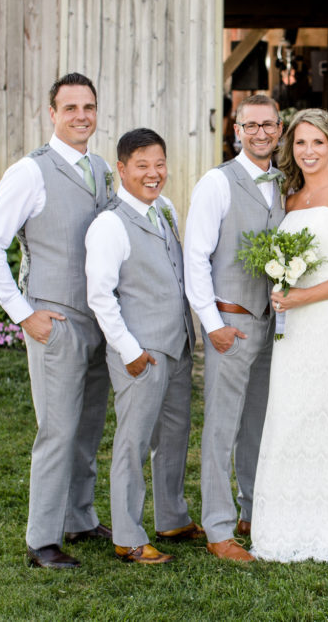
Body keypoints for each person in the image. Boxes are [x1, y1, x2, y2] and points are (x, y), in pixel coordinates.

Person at [0, 72, 113, 569]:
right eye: (70, 107)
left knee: (88, 427)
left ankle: (78, 516)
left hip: (99, 321)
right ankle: (42, 540)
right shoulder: (29, 173)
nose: (80, 116)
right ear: (52, 113)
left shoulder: (101, 168)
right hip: (56, 322)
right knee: (56, 429)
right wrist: (25, 314)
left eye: (88, 107)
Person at [250, 109, 328, 563]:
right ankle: (288, 524)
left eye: (318, 143)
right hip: (296, 330)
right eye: (301, 143)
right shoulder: (292, 198)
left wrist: (305, 297)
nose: (308, 151)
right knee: (292, 416)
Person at [84, 128, 202, 565]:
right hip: (141, 353)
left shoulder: (165, 209)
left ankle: (172, 516)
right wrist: (129, 350)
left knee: (174, 435)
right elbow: (100, 295)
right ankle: (129, 537)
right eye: (142, 166)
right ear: (121, 169)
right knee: (133, 443)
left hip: (177, 344)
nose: (154, 175)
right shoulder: (110, 224)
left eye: (159, 165)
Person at [183, 94, 285, 562]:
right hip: (230, 322)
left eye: (269, 124)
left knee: (258, 423)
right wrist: (212, 324)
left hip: (272, 323)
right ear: (236, 130)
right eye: (252, 125)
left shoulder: (286, 185)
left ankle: (250, 511)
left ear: (279, 129)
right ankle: (219, 529)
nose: (261, 132)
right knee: (221, 428)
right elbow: (195, 258)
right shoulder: (216, 183)